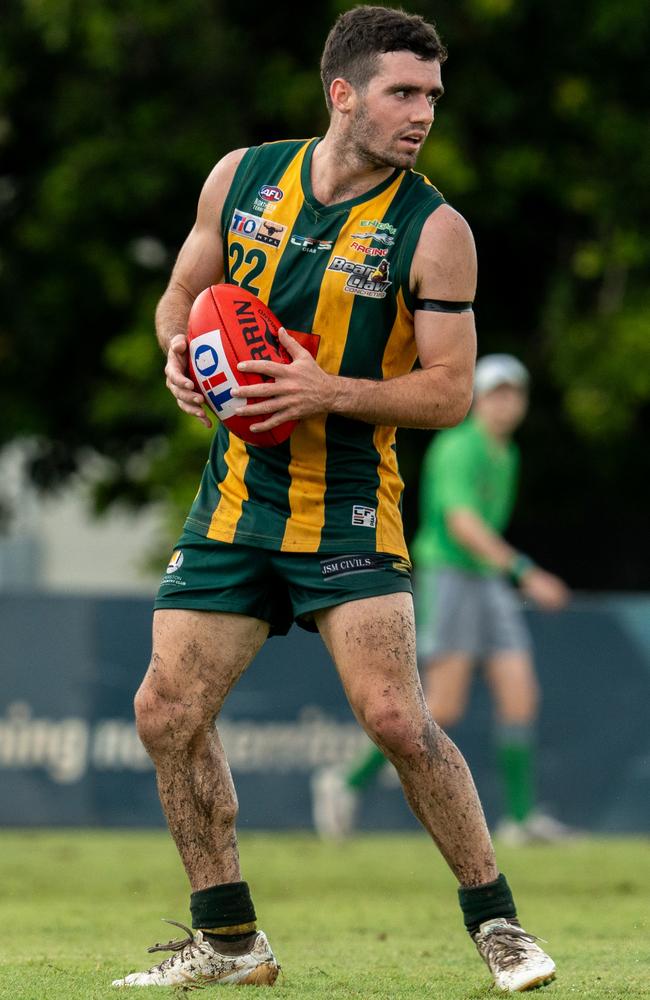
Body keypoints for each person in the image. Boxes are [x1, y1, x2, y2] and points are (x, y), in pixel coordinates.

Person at [113, 7, 556, 993]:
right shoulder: (240, 179)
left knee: (397, 717)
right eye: (402, 92)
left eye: (431, 97)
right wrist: (179, 357)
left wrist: (331, 392)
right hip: (233, 499)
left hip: (348, 504)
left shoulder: (433, 232)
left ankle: (497, 924)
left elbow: (447, 389)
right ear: (341, 93)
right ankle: (229, 941)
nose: (421, 114)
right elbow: (183, 297)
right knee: (165, 709)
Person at [313, 354, 573, 846]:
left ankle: (520, 818)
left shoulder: (506, 453)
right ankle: (344, 783)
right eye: (496, 393)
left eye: (513, 393)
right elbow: (461, 523)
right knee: (443, 705)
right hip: (452, 576)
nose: (506, 403)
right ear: (477, 398)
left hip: (487, 581)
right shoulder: (459, 446)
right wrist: (525, 572)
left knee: (520, 695)